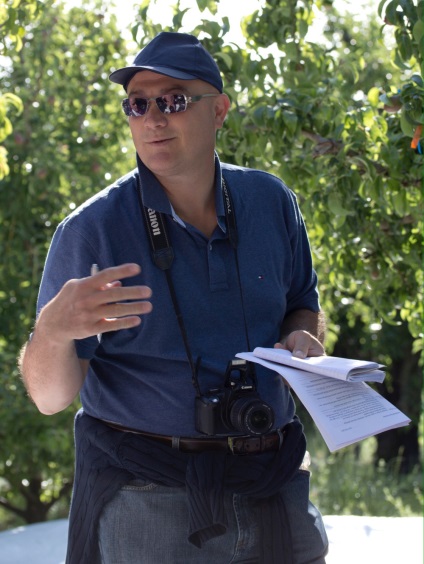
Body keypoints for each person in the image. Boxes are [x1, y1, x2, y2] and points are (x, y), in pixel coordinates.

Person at [19, 32, 329, 564]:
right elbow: (50, 398)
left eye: (174, 101)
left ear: (220, 111)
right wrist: (50, 332)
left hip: (273, 481)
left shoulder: (272, 201)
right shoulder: (92, 231)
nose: (153, 119)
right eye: (138, 105)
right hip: (148, 499)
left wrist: (304, 334)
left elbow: (303, 301)